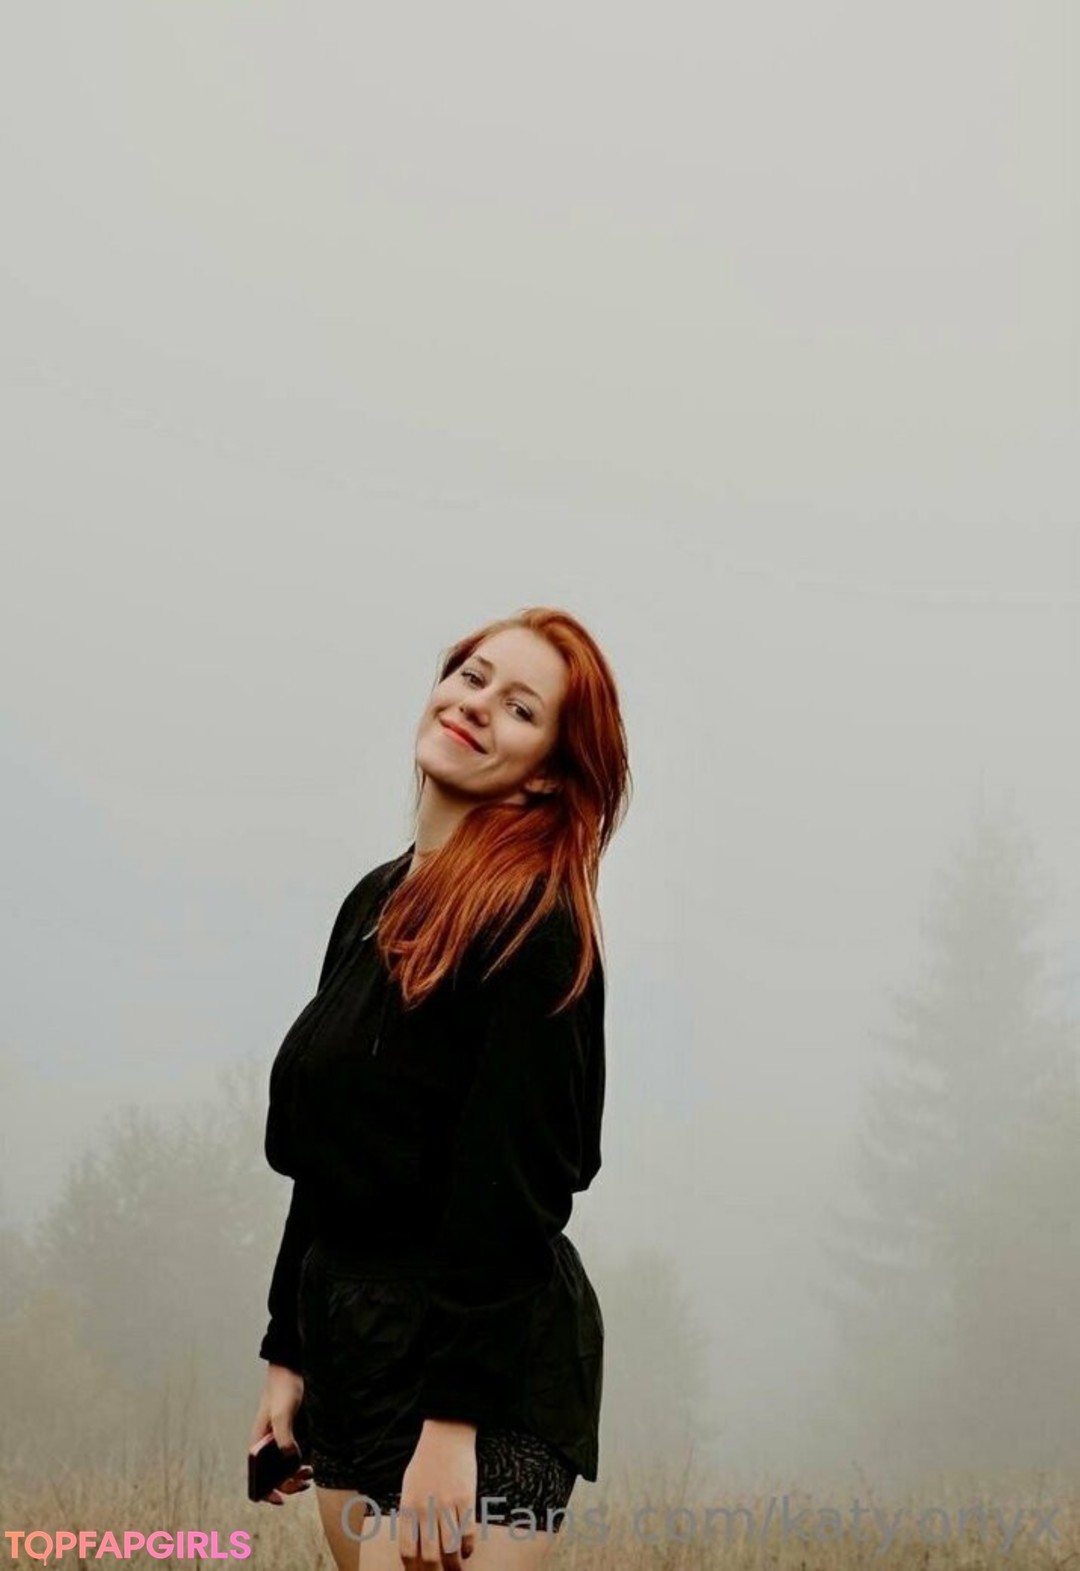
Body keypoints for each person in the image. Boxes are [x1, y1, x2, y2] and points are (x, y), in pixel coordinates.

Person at [247, 608, 631, 1569]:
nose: (477, 704)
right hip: (353, 1347)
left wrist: (453, 1425)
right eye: (471, 675)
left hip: (479, 1376)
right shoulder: (374, 899)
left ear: (546, 772)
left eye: (521, 707)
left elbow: (515, 1194)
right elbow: (329, 1150)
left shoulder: (537, 928)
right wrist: (287, 1351)